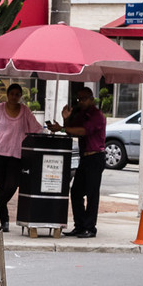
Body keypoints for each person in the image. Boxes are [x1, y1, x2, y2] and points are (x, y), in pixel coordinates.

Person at [0, 83, 45, 232]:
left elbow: (37, 128)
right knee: (0, 188)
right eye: (12, 94)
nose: (14, 97)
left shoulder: (24, 111)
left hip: (17, 155)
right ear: (8, 95)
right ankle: (5, 221)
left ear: (20, 97)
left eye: (18, 94)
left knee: (11, 187)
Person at [47, 86, 106, 238]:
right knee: (76, 192)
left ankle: (90, 227)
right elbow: (70, 128)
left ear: (92, 99)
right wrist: (66, 118)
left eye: (84, 99)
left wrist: (62, 127)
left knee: (92, 193)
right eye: (79, 99)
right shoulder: (81, 113)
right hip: (84, 157)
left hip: (95, 156)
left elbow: (83, 131)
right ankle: (80, 225)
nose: (81, 102)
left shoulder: (97, 116)